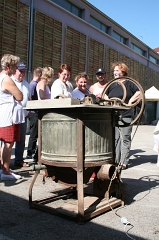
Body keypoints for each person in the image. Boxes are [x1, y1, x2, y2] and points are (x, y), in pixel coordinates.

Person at [104, 62, 140, 169]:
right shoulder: (112, 84)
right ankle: (115, 160)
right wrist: (109, 101)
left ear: (123, 71)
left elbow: (139, 92)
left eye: (117, 70)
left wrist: (130, 102)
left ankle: (123, 162)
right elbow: (105, 94)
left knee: (125, 138)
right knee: (115, 139)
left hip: (126, 114)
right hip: (114, 114)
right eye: (114, 71)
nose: (114, 72)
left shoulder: (129, 83)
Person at [0, 54, 24, 180]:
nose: (16, 68)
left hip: (5, 114)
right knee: (8, 144)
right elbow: (20, 96)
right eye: (14, 66)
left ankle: (4, 169)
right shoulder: (6, 79)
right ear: (8, 66)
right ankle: (5, 171)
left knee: (5, 144)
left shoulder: (1, 77)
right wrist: (18, 94)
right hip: (8, 115)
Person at [12, 62, 30, 167]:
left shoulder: (26, 83)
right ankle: (3, 161)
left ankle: (19, 160)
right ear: (15, 70)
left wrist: (28, 111)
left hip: (23, 115)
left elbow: (28, 97)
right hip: (12, 115)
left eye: (24, 71)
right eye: (20, 71)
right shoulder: (11, 81)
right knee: (8, 140)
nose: (22, 73)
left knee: (21, 139)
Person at [33, 67, 54, 162]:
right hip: (43, 111)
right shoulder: (42, 83)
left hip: (45, 111)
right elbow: (41, 96)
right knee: (42, 136)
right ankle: (36, 157)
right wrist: (52, 101)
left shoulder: (45, 84)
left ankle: (38, 156)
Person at [26, 67, 42, 160]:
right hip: (34, 112)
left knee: (35, 133)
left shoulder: (36, 84)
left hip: (36, 112)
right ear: (39, 75)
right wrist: (31, 110)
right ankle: (30, 152)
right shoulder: (33, 85)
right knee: (33, 133)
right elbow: (30, 97)